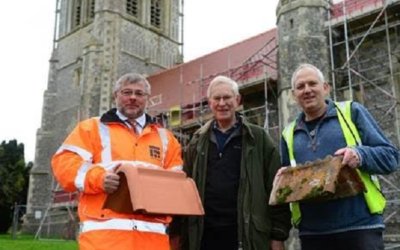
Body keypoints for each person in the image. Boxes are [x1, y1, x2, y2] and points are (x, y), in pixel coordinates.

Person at [52, 73, 183, 250]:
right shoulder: (91, 128)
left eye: (139, 93)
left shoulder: (166, 138)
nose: (133, 98)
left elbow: (175, 181)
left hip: (152, 239)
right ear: (116, 95)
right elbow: (64, 163)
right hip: (105, 239)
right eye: (126, 92)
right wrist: (98, 179)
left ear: (147, 98)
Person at [280, 63, 399, 250]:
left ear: (326, 88)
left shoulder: (352, 113)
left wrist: (360, 155)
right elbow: (290, 187)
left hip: (360, 228)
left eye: (313, 83)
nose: (307, 90)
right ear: (294, 96)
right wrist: (284, 179)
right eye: (300, 87)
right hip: (313, 234)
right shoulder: (288, 134)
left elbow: (391, 158)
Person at [183, 75, 291, 250]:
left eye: (227, 97)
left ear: (237, 100)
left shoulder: (258, 138)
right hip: (205, 235)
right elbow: (184, 191)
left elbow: (277, 188)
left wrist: (278, 235)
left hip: (247, 235)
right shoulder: (196, 141)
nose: (222, 103)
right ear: (209, 103)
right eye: (217, 98)